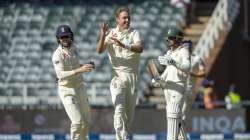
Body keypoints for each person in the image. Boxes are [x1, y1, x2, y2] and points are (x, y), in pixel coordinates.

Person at [96, 7, 143, 140]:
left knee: (128, 116)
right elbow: (99, 50)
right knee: (119, 109)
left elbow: (140, 48)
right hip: (117, 77)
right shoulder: (111, 34)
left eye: (128, 18)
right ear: (117, 19)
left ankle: (125, 137)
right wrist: (102, 35)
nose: (127, 20)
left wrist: (124, 45)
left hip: (132, 78)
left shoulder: (134, 33)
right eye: (124, 18)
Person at [52, 25, 95, 140]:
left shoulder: (74, 49)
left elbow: (75, 67)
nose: (64, 39)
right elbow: (60, 74)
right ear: (58, 39)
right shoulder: (57, 55)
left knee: (86, 122)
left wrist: (85, 67)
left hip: (80, 87)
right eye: (62, 37)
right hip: (67, 90)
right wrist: (79, 70)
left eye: (67, 36)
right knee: (77, 122)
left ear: (71, 37)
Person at [152, 28, 191, 140]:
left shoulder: (184, 51)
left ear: (178, 39)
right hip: (168, 87)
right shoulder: (169, 52)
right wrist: (159, 79)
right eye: (168, 38)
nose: (168, 40)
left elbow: (187, 67)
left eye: (171, 38)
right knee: (175, 116)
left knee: (173, 115)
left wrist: (173, 62)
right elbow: (168, 71)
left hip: (178, 87)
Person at [178, 52, 206, 140]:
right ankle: (180, 135)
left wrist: (193, 75)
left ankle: (182, 136)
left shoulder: (197, 58)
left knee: (182, 114)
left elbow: (203, 72)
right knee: (176, 113)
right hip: (179, 88)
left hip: (189, 89)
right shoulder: (179, 56)